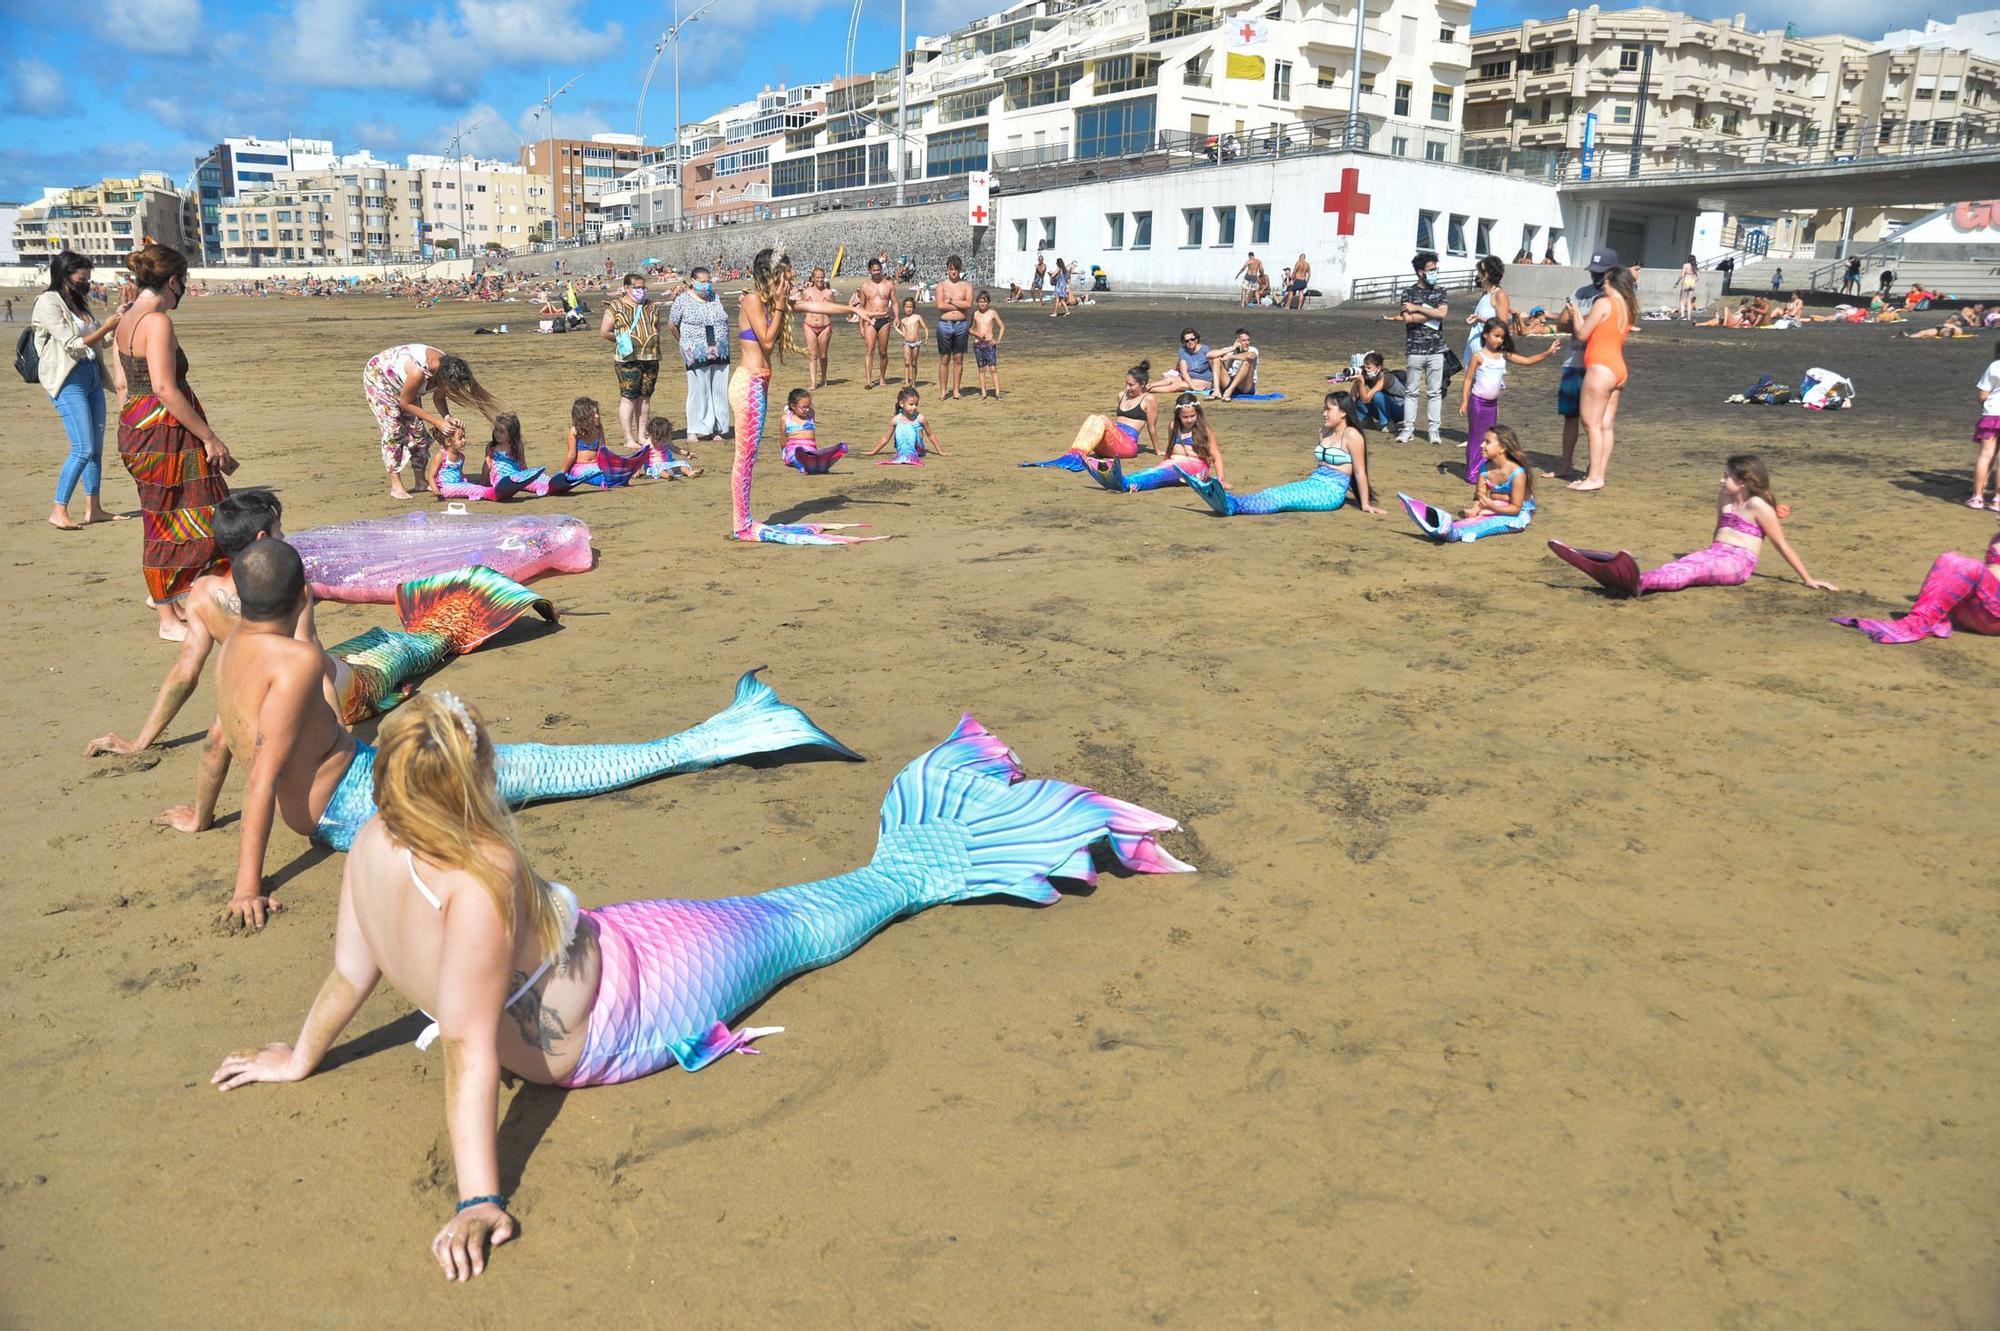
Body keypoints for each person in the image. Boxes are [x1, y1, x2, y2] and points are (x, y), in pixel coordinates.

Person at [206, 698, 1186, 1280]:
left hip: (602, 953)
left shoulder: (367, 842)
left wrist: (300, 1054)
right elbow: (466, 1051)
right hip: (620, 1008)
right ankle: (944, 851)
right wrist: (477, 1196)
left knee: (751, 907)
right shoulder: (482, 873)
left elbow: (351, 969)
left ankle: (947, 837)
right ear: (472, 783)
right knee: (795, 920)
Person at [155, 538, 861, 926]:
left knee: (506, 758)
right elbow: (263, 770)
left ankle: (725, 728)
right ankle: (721, 733)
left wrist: (200, 816)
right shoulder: (297, 662)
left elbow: (223, 743)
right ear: (303, 594)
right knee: (537, 768)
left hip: (354, 780)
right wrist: (247, 883)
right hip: (357, 804)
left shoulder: (231, 654)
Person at [114, 242, 235, 640]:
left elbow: (122, 384)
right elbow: (166, 388)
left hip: (139, 426)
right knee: (170, 520)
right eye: (184, 282)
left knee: (171, 514)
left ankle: (170, 601)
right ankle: (166, 618)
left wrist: (137, 422)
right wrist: (209, 437)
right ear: (172, 281)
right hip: (164, 432)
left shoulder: (127, 318)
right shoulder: (156, 322)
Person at [731, 247, 881, 544]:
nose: (790, 279)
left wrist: (853, 310)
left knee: (749, 457)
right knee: (744, 458)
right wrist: (777, 304)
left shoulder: (772, 303)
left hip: (758, 384)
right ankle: (741, 523)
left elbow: (817, 308)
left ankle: (743, 520)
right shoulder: (752, 301)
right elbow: (767, 338)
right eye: (786, 274)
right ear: (772, 276)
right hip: (747, 384)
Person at [1548, 454, 1835, 597]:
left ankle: (1638, 582)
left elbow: (1780, 544)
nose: (1721, 481)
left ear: (1745, 481)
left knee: (1692, 570)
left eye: (1727, 477)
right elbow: (1718, 530)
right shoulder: (1725, 496)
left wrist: (1808, 579)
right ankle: (1629, 576)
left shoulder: (1758, 507)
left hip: (1739, 563)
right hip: (1716, 552)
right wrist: (1709, 550)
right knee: (1679, 565)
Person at [33, 250, 127, 530]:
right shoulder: (47, 302)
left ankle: (93, 508)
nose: (86, 282)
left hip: (92, 378)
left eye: (87, 277)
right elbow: (73, 344)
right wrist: (106, 326)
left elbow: (102, 341)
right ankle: (58, 509)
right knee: (83, 448)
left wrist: (119, 316)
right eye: (81, 277)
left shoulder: (78, 304)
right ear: (65, 275)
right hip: (67, 380)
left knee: (95, 449)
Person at [1184, 392, 1383, 517]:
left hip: (1331, 493)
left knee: (1282, 501)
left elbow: (1359, 472)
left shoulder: (1353, 436)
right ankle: (1231, 501)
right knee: (1273, 492)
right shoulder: (1324, 431)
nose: (1324, 413)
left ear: (1343, 413)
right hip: (1313, 482)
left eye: (1328, 409)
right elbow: (1320, 466)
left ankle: (1232, 506)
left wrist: (1364, 504)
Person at [362, 343, 499, 500]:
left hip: (405, 385)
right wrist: (436, 422)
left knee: (418, 431)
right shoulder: (418, 372)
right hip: (381, 379)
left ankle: (420, 481)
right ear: (442, 378)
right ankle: (396, 485)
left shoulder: (448, 367)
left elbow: (438, 397)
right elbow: (405, 403)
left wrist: (447, 417)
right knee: (394, 431)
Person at [1834, 526, 2000, 643]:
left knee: (1965, 565)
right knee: (1950, 559)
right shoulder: (1997, 537)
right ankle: (1926, 617)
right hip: (1981, 607)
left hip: (1994, 617)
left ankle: (1921, 621)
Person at [1458, 319, 1560, 484]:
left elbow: (1526, 361)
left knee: (1489, 438)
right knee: (1476, 438)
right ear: (1485, 334)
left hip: (1492, 404)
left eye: (1502, 337)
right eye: (1496, 336)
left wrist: (1547, 352)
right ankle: (1472, 472)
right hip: (1478, 403)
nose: (1499, 340)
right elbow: (1468, 379)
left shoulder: (1503, 355)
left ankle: (1484, 470)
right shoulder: (1478, 356)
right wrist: (1464, 400)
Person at [1397, 426, 1537, 543]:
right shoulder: (1484, 469)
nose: (1481, 445)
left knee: (1486, 524)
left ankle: (1454, 533)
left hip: (1516, 515)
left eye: (1487, 442)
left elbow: (1516, 509)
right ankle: (1447, 527)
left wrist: (1491, 507)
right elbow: (1479, 497)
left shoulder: (1517, 473)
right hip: (1494, 508)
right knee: (1475, 518)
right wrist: (1475, 510)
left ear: (1502, 448)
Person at [1568, 262, 1637, 492]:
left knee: (1592, 424)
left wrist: (1576, 313)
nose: (1602, 285)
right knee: (1606, 425)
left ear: (1612, 283)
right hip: (1618, 368)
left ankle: (1594, 477)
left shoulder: (1604, 303)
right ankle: (1599, 474)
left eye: (1605, 281)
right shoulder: (1627, 306)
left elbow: (1582, 334)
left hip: (1600, 368)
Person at [1022, 361, 1158, 469]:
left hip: (1127, 445)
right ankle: (1075, 453)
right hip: (1110, 444)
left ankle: (1077, 455)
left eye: (1131, 385)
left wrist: (1158, 450)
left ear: (1143, 384)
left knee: (1103, 419)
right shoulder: (1121, 395)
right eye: (1126, 383)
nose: (1127, 388)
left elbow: (1151, 427)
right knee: (1093, 417)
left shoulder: (1149, 399)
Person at [1083, 392, 1225, 493]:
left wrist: (1221, 479)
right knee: (1155, 471)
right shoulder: (1173, 425)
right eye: (1185, 417)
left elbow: (1217, 455)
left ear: (1198, 413)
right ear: (1178, 416)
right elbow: (1170, 448)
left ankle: (1128, 483)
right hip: (1175, 463)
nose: (1189, 420)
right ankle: (1128, 480)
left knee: (1160, 474)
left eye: (1192, 416)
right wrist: (1165, 460)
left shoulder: (1204, 429)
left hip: (1195, 467)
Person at [1388, 251, 1449, 446]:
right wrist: (1431, 313)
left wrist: (1418, 309)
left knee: (1435, 392)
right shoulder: (1408, 292)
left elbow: (1442, 314)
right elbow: (1408, 318)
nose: (1435, 273)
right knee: (1411, 391)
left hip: (1436, 349)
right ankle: (1408, 429)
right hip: (1414, 348)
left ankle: (1434, 430)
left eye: (1435, 269)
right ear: (1420, 272)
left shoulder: (1441, 291)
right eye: (1431, 270)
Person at [668, 267, 732, 443]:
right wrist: (683, 342)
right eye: (702, 282)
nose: (707, 285)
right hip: (695, 350)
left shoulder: (715, 298)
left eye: (708, 281)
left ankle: (717, 428)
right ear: (693, 281)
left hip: (719, 349)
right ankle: (694, 429)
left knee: (718, 389)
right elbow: (672, 324)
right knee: (698, 389)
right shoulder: (682, 300)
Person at [599, 273, 660, 451]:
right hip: (627, 359)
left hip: (651, 356)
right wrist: (623, 342)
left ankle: (642, 435)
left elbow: (655, 326)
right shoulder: (615, 306)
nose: (641, 291)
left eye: (643, 287)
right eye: (637, 288)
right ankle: (628, 437)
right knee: (629, 397)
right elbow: (605, 331)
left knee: (645, 397)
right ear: (627, 288)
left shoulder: (651, 306)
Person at [848, 257, 896, 389]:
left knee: (883, 352)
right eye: (874, 270)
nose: (876, 272)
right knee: (869, 350)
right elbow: (862, 307)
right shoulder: (864, 286)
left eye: (878, 270)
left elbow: (895, 303)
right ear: (869, 270)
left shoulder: (888, 284)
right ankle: (868, 380)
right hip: (870, 320)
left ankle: (881, 378)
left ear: (881, 269)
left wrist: (897, 317)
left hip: (885, 319)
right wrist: (861, 325)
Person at [867, 387, 946, 465]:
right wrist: (874, 451)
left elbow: (931, 435)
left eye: (916, 404)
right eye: (911, 404)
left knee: (910, 428)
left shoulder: (920, 418)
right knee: (902, 427)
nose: (914, 407)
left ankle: (912, 453)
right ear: (902, 403)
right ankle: (903, 453)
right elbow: (886, 438)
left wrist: (940, 451)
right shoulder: (896, 420)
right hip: (902, 452)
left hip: (918, 451)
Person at [933, 256, 974, 399]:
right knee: (944, 358)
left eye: (956, 269)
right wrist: (959, 303)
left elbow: (969, 305)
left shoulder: (967, 286)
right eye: (951, 269)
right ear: (947, 270)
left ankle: (956, 390)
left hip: (961, 325)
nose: (953, 272)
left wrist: (950, 300)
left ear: (960, 269)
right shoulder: (941, 286)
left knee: (958, 358)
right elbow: (940, 305)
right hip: (945, 324)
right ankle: (943, 390)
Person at [1463, 256, 1512, 370]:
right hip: (1476, 350)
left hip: (1487, 354)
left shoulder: (1500, 295)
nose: (1478, 276)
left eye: (1479, 272)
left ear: (1486, 275)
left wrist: (1481, 319)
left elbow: (1502, 325)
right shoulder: (1485, 294)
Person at [781, 389, 846, 474]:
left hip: (810, 449)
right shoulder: (786, 419)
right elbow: (783, 438)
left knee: (817, 456)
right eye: (804, 407)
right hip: (794, 448)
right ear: (792, 406)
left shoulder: (810, 415)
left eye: (809, 406)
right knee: (796, 456)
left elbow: (813, 414)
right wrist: (785, 452)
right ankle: (803, 466)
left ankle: (818, 464)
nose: (807, 409)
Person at [1970, 342, 2000, 510]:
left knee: (1985, 455)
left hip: (1992, 414)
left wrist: (1987, 407)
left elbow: (1982, 395)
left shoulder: (1994, 366)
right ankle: (1997, 499)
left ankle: (1977, 497)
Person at [798, 265, 837, 390]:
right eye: (817, 278)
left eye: (822, 278)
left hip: (824, 326)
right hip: (809, 326)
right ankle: (813, 382)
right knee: (812, 355)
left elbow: (833, 310)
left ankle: (824, 377)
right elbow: (802, 308)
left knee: (823, 355)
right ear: (813, 278)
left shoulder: (828, 293)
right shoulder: (807, 292)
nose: (820, 280)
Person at [1150, 328, 1216, 395]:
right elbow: (1184, 372)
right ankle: (1148, 386)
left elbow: (1213, 368)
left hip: (1204, 380)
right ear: (1184, 341)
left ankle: (1148, 390)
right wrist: (1193, 386)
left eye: (1192, 339)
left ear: (1197, 339)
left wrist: (1194, 387)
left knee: (1177, 386)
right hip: (1188, 378)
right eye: (1187, 341)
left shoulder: (1205, 349)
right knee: (1169, 379)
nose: (1190, 342)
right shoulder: (1182, 351)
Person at [1352, 351, 1407, 431]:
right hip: (1387, 407)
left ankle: (1387, 423)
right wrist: (1356, 382)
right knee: (1360, 396)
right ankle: (1365, 421)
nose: (1366, 370)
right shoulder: (1366, 375)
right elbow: (1352, 398)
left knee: (1377, 395)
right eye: (1364, 367)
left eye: (1369, 368)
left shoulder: (1385, 377)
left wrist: (1361, 382)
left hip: (1400, 409)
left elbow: (1366, 399)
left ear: (1379, 367)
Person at [970, 291, 1005, 399]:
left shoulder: (992, 313)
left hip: (989, 344)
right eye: (980, 302)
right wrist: (977, 333)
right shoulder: (975, 314)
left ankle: (997, 392)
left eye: (984, 302)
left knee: (993, 368)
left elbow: (1002, 326)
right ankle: (983, 392)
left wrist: (998, 340)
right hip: (978, 344)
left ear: (988, 302)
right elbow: (970, 329)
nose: (982, 304)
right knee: (981, 369)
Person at [1211, 329, 1259, 401]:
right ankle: (1217, 391)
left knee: (1246, 362)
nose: (1247, 343)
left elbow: (1250, 356)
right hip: (1230, 381)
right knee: (1216, 359)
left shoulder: (1253, 350)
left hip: (1246, 386)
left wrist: (1230, 356)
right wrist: (1232, 348)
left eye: (1248, 340)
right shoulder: (1231, 350)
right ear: (1237, 342)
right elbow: (1209, 355)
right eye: (1243, 340)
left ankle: (1229, 391)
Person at [895, 296, 927, 387]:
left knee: (914, 363)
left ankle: (913, 382)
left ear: (913, 308)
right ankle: (906, 382)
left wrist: (926, 338)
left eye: (910, 307)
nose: (908, 309)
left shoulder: (917, 317)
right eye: (907, 307)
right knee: (906, 363)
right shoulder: (903, 320)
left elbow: (925, 328)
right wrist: (896, 329)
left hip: (916, 342)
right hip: (907, 343)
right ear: (904, 307)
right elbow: (904, 334)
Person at [1678, 254, 1699, 321]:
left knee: (1682, 300)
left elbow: (1682, 275)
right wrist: (1693, 281)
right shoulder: (1694, 266)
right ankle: (1689, 317)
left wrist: (1677, 282)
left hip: (1686, 281)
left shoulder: (1686, 265)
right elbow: (1697, 278)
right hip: (1692, 282)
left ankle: (1682, 315)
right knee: (1689, 301)